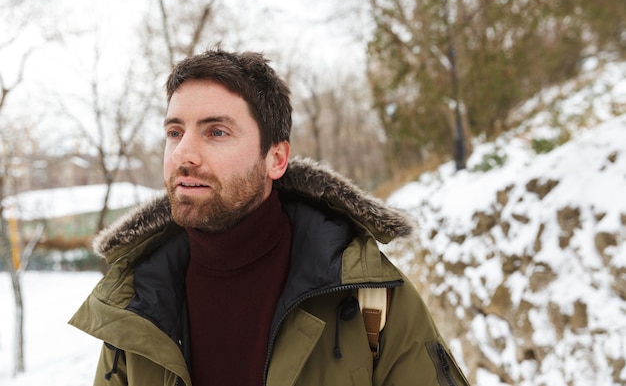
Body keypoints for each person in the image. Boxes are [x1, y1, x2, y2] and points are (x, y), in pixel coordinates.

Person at [69, 49, 470, 386]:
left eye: (216, 132)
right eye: (175, 132)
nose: (183, 154)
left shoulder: (368, 297)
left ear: (275, 158)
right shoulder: (135, 304)